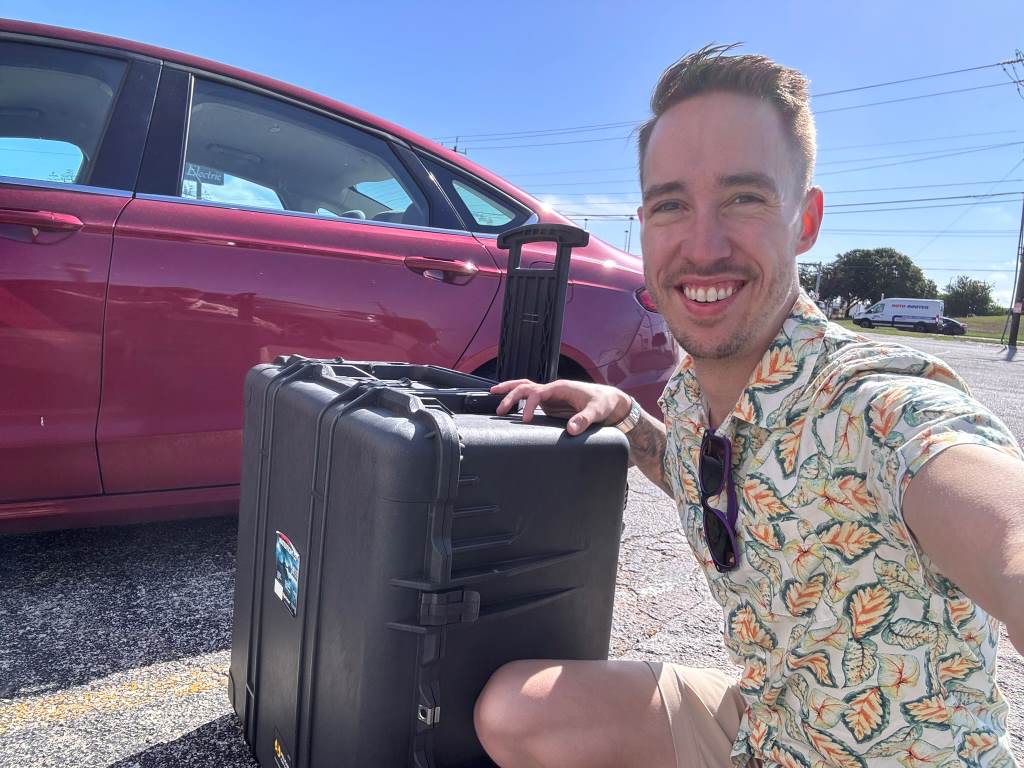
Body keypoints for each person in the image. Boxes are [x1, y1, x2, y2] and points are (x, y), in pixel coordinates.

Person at [473, 44, 1024, 768]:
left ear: (806, 220)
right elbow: (715, 480)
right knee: (514, 709)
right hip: (766, 725)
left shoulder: (877, 404)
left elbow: (996, 520)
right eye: (672, 204)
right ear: (644, 226)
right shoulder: (693, 395)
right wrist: (627, 416)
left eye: (744, 197)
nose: (702, 246)